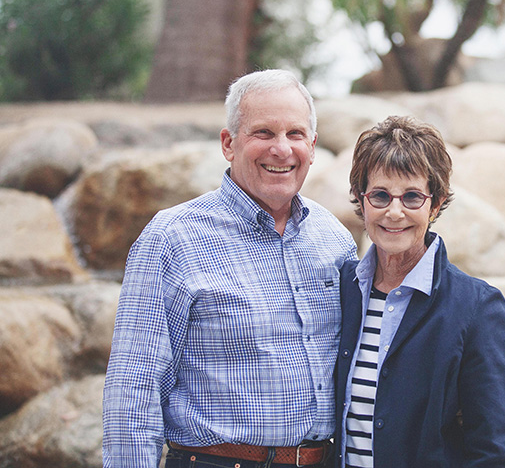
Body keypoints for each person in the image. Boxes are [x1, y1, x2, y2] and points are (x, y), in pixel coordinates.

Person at [103, 69, 358, 468]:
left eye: (295, 134)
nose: (282, 149)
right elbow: (134, 390)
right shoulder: (172, 238)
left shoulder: (335, 239)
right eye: (263, 133)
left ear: (312, 144)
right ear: (228, 143)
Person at [334, 115, 505, 468]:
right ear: (361, 199)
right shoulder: (343, 289)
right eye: (381, 195)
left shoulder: (478, 308)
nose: (395, 212)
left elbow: (492, 451)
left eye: (413, 197)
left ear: (436, 204)